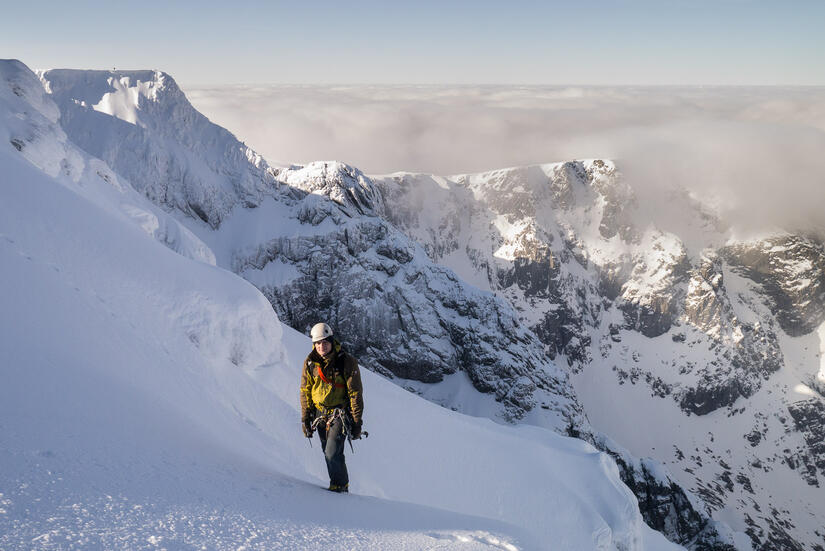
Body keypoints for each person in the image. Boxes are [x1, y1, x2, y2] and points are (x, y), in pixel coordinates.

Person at [300, 322, 364, 493]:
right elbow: (305, 391)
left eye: (325, 342)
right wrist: (306, 419)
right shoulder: (310, 363)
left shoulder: (346, 361)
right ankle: (336, 484)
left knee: (331, 452)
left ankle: (340, 487)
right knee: (327, 452)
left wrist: (357, 422)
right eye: (318, 343)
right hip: (319, 414)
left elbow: (355, 393)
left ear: (331, 341)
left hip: (340, 414)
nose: (322, 346)